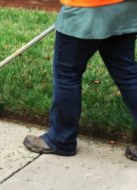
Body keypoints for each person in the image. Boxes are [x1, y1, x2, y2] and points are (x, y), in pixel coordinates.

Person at [23, 0, 137, 161]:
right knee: (128, 75)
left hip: (86, 9)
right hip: (125, 7)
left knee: (67, 73)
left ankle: (61, 139)